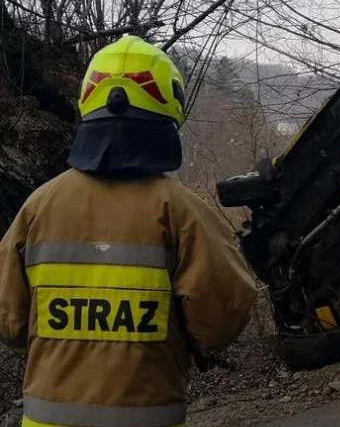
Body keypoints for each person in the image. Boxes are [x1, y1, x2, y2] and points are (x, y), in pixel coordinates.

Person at [0, 35, 258, 427]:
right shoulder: (182, 211)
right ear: (169, 104)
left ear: (89, 101)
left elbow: (11, 324)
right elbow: (220, 320)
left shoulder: (37, 207)